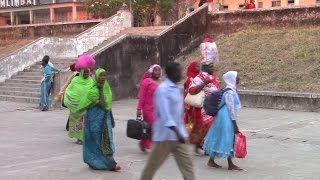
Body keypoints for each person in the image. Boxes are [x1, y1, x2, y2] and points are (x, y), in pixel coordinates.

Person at [140, 62, 196, 180]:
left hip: (179, 136)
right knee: (151, 168)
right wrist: (177, 132)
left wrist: (181, 132)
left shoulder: (179, 88)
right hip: (165, 137)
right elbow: (165, 115)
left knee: (188, 168)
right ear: (173, 74)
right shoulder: (163, 90)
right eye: (179, 71)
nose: (182, 74)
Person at [78, 68, 121, 171]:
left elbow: (108, 105)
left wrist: (112, 117)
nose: (103, 78)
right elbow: (102, 104)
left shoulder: (107, 89)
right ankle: (95, 162)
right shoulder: (93, 91)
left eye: (104, 75)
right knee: (95, 141)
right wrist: (100, 90)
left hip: (105, 120)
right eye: (101, 75)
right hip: (94, 121)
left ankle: (110, 164)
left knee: (106, 141)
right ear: (97, 77)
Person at [203, 71, 243, 171]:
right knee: (228, 138)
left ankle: (211, 160)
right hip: (226, 117)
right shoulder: (229, 92)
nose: (239, 79)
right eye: (237, 77)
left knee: (219, 136)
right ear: (232, 79)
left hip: (222, 117)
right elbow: (231, 109)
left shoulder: (230, 90)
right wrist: (235, 124)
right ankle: (230, 164)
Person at [187, 63, 221, 154]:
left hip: (213, 106)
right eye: (210, 67)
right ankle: (200, 144)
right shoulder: (199, 78)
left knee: (212, 126)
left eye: (213, 66)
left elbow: (217, 88)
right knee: (206, 126)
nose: (213, 68)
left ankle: (206, 146)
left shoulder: (213, 77)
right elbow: (191, 90)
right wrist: (204, 83)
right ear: (205, 68)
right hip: (203, 107)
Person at [64, 67, 94, 144]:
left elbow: (93, 92)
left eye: (88, 72)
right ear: (81, 72)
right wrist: (71, 99)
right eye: (85, 72)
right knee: (77, 121)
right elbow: (69, 90)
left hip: (87, 105)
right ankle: (79, 138)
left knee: (86, 121)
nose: (86, 74)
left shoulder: (91, 81)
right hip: (76, 105)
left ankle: (85, 137)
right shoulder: (75, 80)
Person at [137, 64, 162, 152]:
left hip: (158, 109)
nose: (158, 72)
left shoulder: (161, 82)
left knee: (153, 127)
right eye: (155, 70)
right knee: (153, 126)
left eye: (159, 70)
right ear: (151, 71)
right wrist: (139, 109)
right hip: (148, 109)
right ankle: (153, 145)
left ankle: (143, 142)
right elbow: (142, 96)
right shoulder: (146, 81)